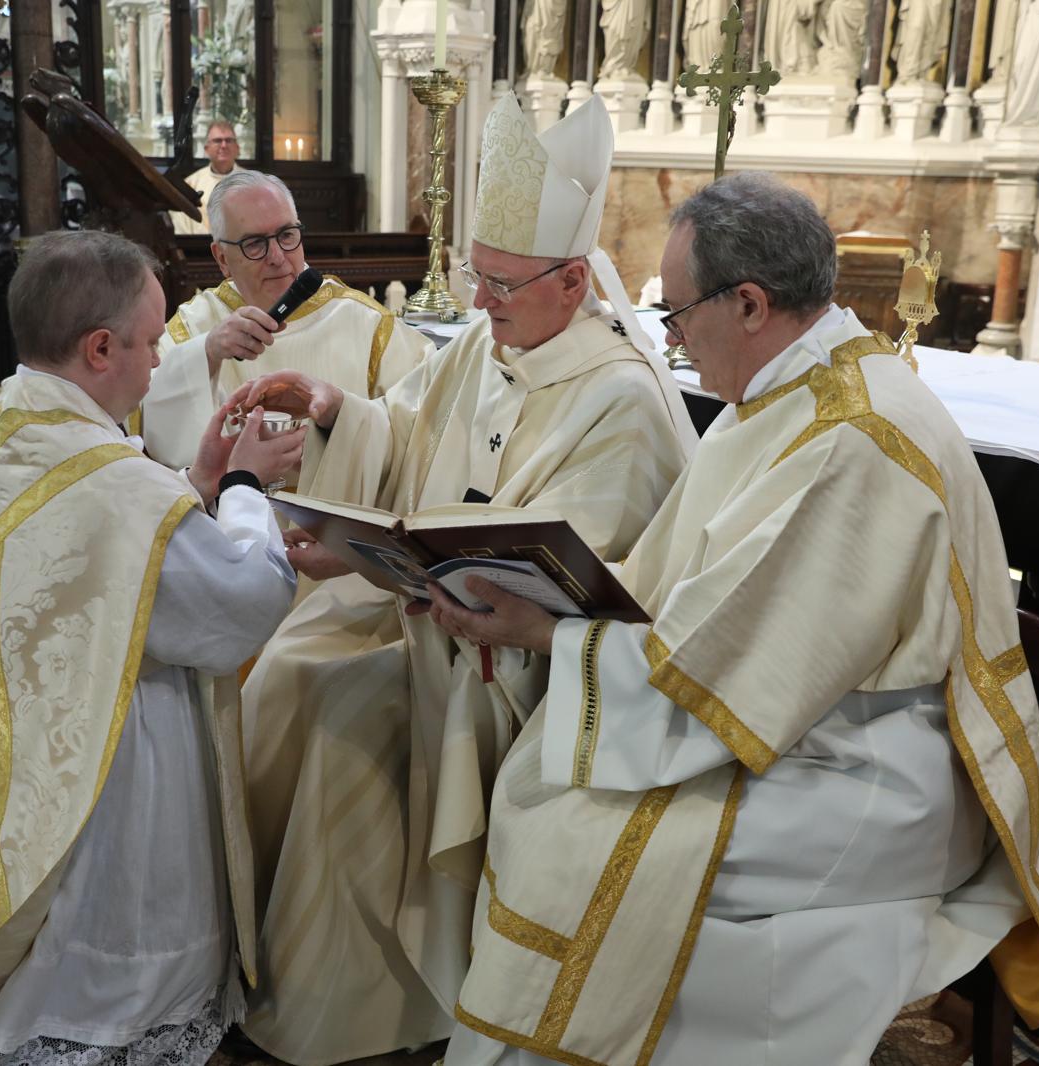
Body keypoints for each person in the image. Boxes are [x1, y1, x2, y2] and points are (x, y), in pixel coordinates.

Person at [428, 173, 1039, 1066]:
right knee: (555, 795)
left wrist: (543, 635)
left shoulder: (849, 439)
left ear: (752, 304)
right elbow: (697, 593)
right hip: (796, 717)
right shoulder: (779, 394)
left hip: (869, 764)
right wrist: (545, 595)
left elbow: (725, 674)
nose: (674, 340)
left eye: (679, 315)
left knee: (592, 839)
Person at [222, 95, 698, 1065]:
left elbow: (591, 578)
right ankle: (256, 957)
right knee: (279, 668)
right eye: (473, 278)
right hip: (416, 611)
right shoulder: (487, 340)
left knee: (336, 703)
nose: (477, 304)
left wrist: (465, 591)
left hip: (514, 664)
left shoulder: (621, 399)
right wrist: (331, 409)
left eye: (500, 285)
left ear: (572, 283)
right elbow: (401, 426)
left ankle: (352, 1008)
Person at [0, 229, 307, 1065]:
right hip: (118, 752)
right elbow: (238, 606)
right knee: (112, 921)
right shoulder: (116, 483)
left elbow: (96, 562)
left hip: (29, 738)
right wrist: (248, 490)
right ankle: (113, 1000)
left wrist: (198, 483)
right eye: (150, 342)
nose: (158, 363)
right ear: (99, 347)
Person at [137, 170, 430, 471]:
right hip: (226, 514)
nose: (277, 256)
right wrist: (207, 355)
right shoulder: (196, 326)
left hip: (340, 512)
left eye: (287, 235)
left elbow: (422, 418)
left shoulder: (366, 323)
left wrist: (339, 413)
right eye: (254, 243)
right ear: (221, 258)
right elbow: (143, 415)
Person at [172, 120, 247, 235]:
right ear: (206, 149)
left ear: (237, 148)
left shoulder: (253, 183)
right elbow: (182, 228)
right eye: (217, 141)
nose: (223, 145)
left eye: (229, 140)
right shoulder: (190, 185)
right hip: (199, 249)